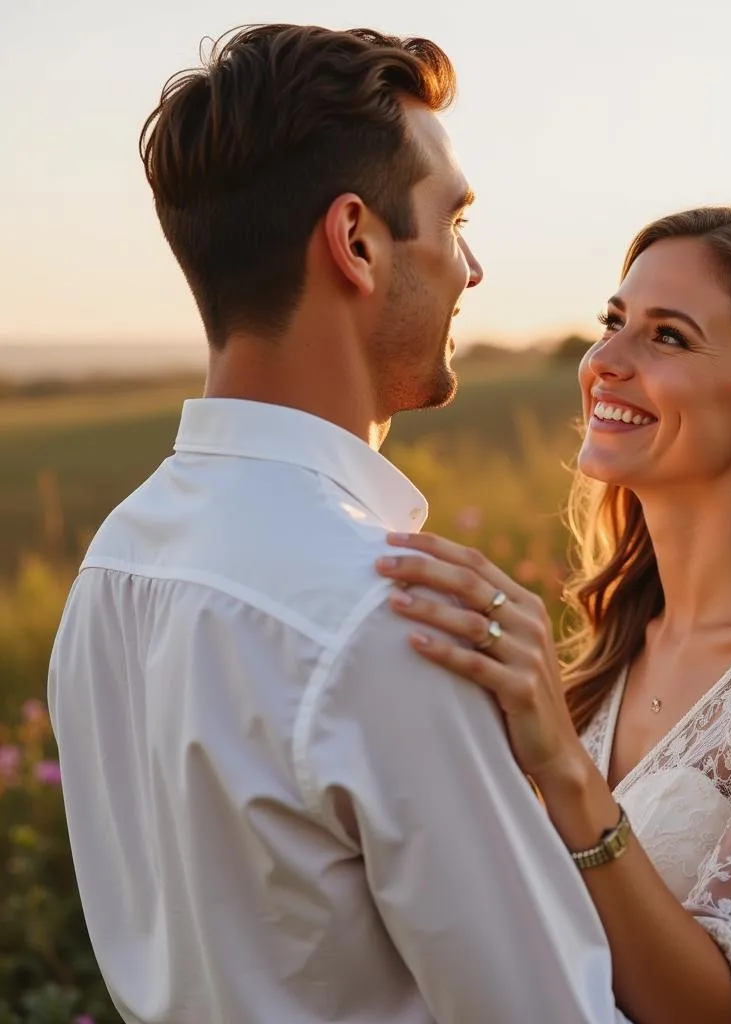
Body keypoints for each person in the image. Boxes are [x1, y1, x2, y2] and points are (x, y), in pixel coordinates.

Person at [46, 24, 630, 1023]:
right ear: (355, 241)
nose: (470, 269)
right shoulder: (388, 616)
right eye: (452, 222)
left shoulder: (114, 567)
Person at [372, 207, 731, 1024]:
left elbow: (725, 1015)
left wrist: (564, 774)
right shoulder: (615, 649)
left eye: (669, 338)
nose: (603, 363)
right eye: (613, 323)